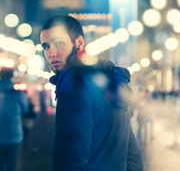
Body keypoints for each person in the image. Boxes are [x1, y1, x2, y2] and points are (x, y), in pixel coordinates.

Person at [40, 15, 143, 171]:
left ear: (79, 42)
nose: (51, 53)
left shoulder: (74, 84)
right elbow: (132, 154)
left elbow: (69, 158)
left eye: (58, 43)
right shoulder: (111, 82)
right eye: (46, 46)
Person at [0, 67, 27, 171]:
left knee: (0, 164)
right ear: (12, 77)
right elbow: (25, 110)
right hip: (14, 133)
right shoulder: (18, 94)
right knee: (12, 165)